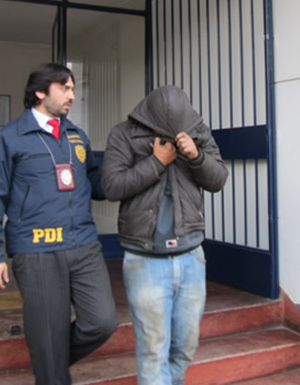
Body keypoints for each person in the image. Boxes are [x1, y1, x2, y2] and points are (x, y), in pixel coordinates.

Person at [0, 62, 118, 385]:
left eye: (73, 89)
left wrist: (130, 169)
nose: (72, 95)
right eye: (64, 88)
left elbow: (96, 184)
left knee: (102, 321)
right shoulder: (8, 138)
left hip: (83, 245)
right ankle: (50, 368)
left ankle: (49, 363)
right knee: (48, 338)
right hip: (37, 249)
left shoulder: (76, 136)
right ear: (40, 92)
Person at [101, 85, 228, 385]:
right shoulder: (123, 134)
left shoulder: (198, 131)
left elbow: (218, 179)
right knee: (153, 351)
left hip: (191, 256)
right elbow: (112, 187)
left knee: (185, 348)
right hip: (145, 260)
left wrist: (196, 156)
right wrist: (157, 161)